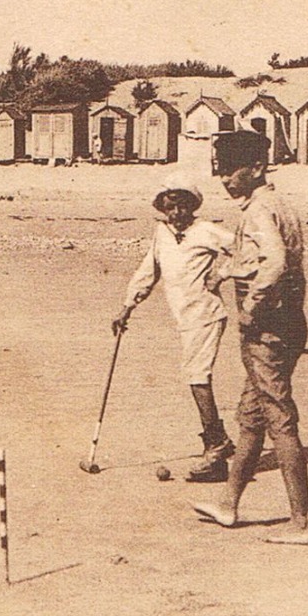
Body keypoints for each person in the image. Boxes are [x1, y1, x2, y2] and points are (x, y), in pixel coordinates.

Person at [193, 131, 308, 544]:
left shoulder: (259, 210)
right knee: (252, 417)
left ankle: (303, 523)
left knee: (279, 419)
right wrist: (226, 269)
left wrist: (252, 308)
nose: (225, 179)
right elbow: (260, 258)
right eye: (221, 170)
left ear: (258, 168)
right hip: (287, 322)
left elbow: (276, 263)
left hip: (268, 329)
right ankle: (229, 503)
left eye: (232, 170)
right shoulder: (276, 204)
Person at [112, 175, 236, 481]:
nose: (177, 214)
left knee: (197, 377)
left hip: (206, 314)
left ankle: (217, 446)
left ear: (193, 206)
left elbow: (246, 250)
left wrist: (221, 274)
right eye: (170, 208)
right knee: (195, 376)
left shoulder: (205, 230)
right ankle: (218, 456)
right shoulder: (162, 233)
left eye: (183, 207)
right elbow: (148, 271)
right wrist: (127, 307)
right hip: (185, 319)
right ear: (162, 208)